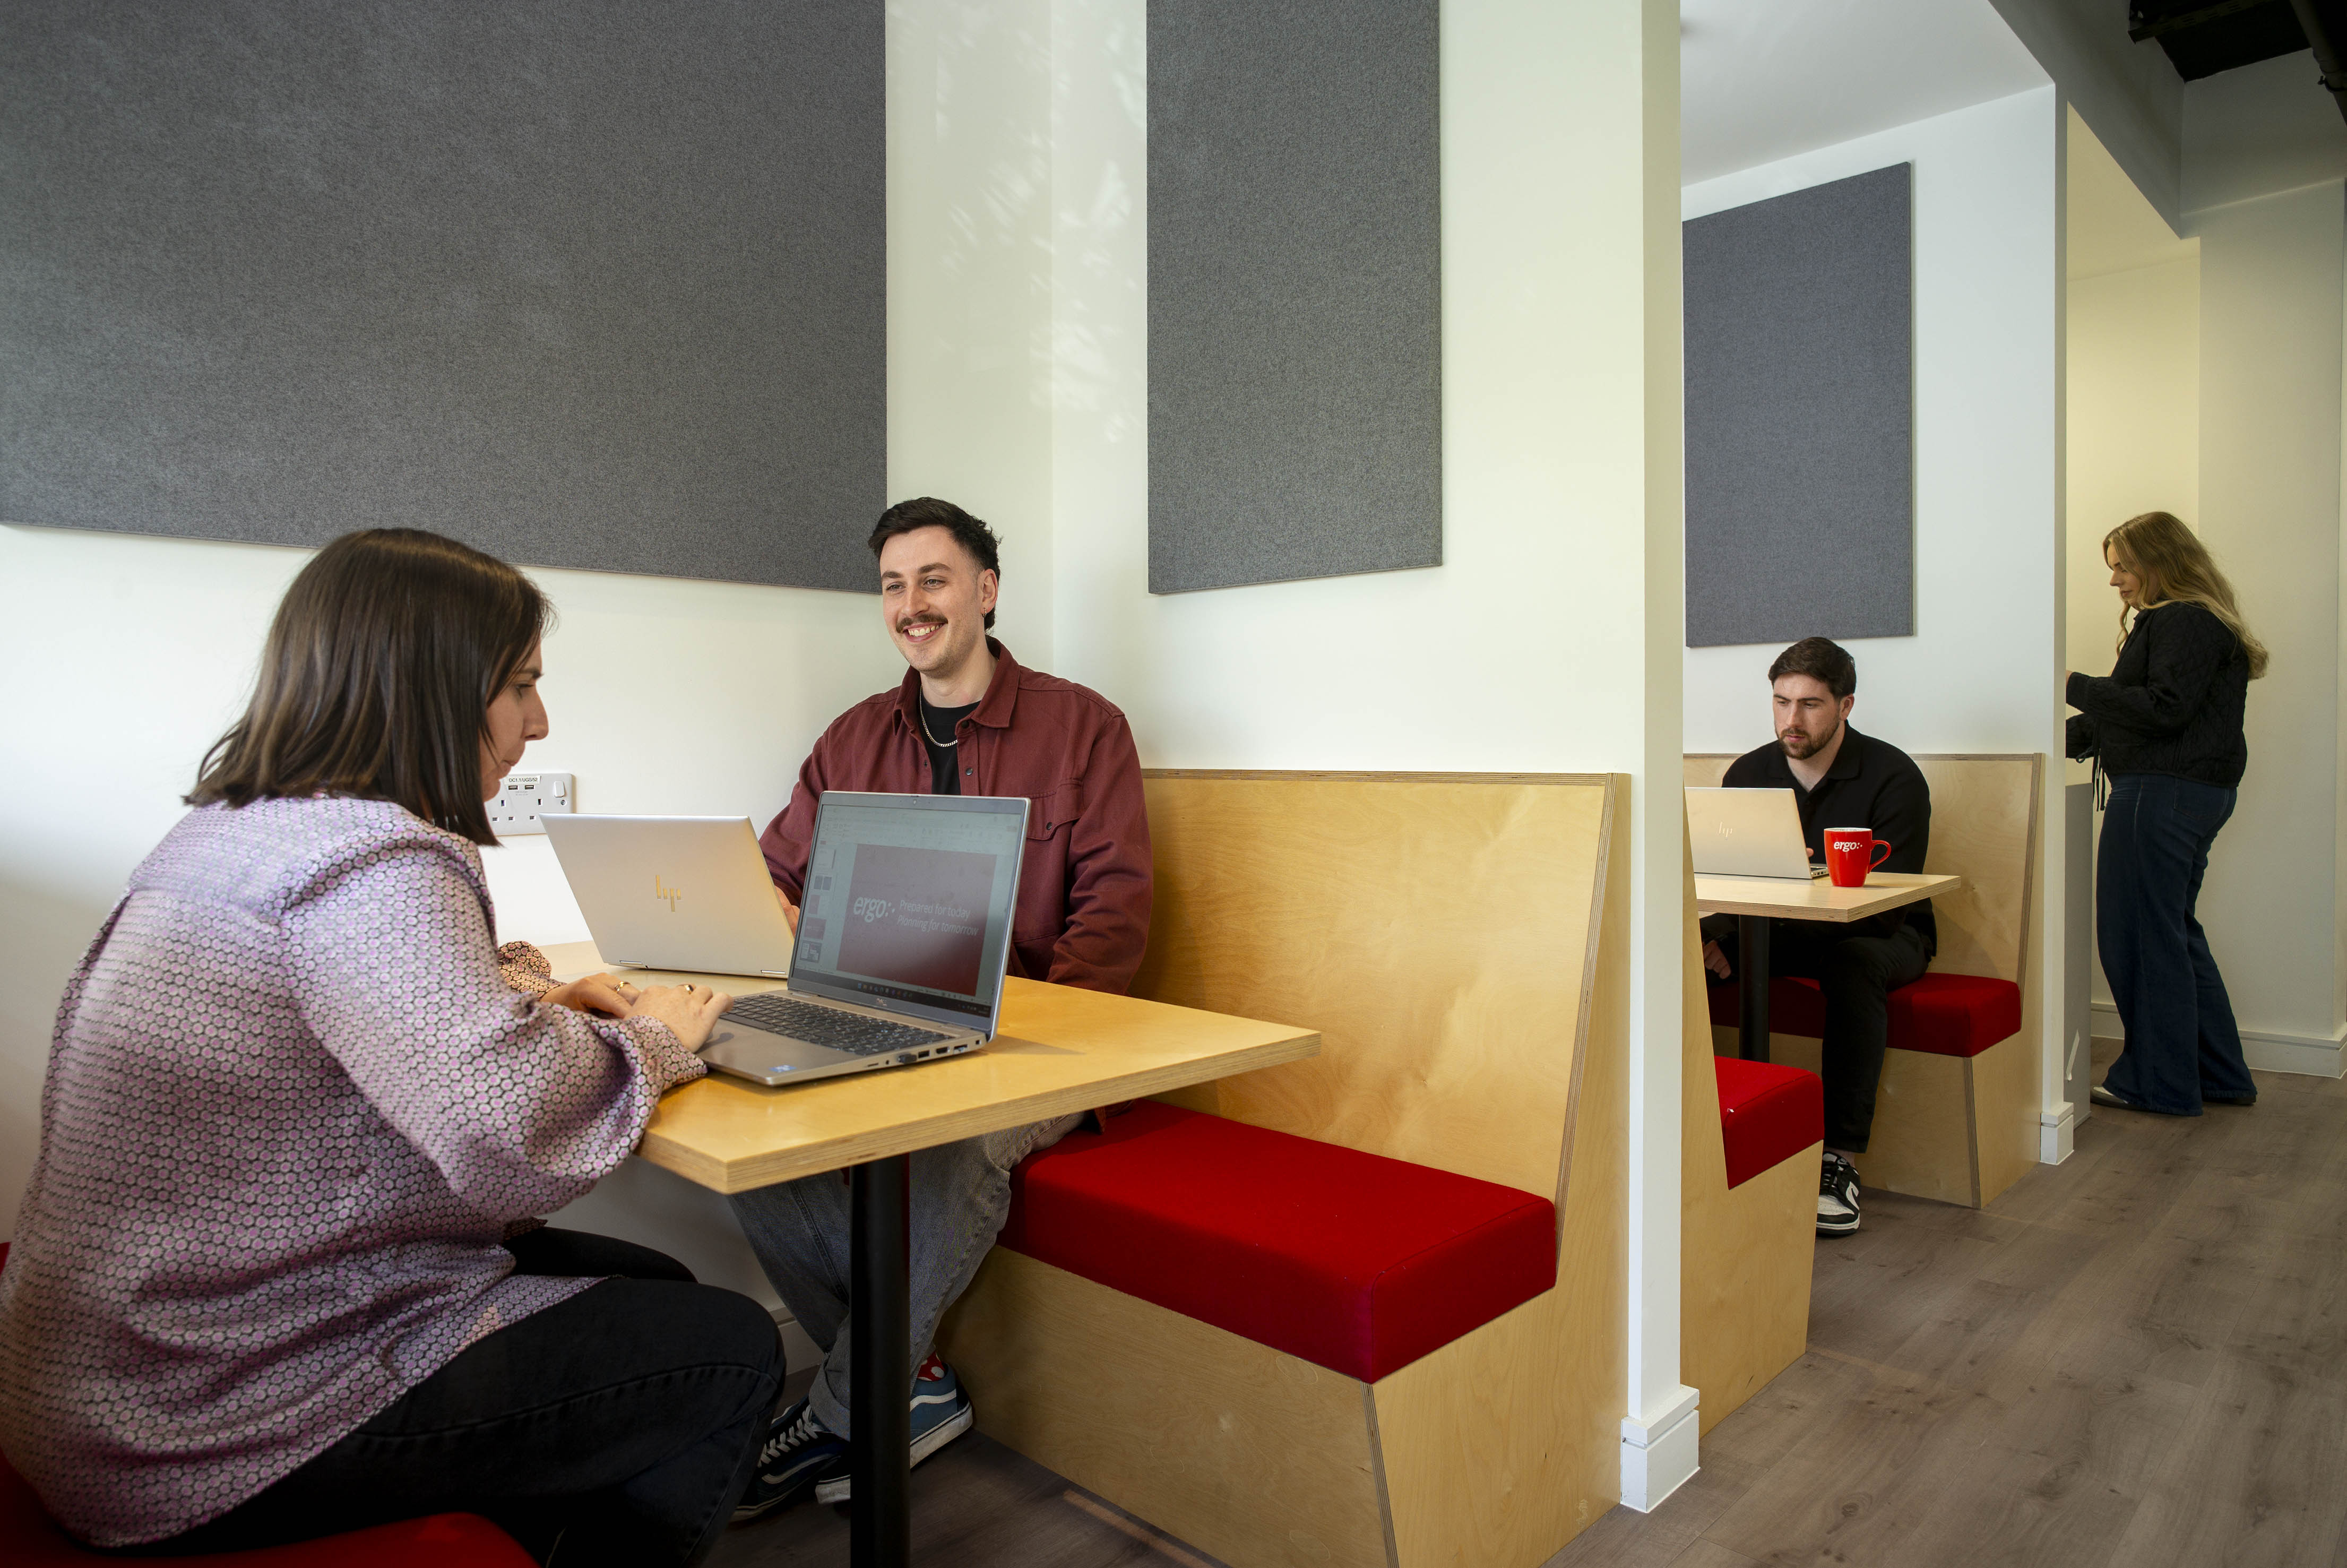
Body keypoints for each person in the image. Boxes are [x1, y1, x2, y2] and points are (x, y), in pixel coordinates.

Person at [0, 529, 773, 1565]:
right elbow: (510, 1129)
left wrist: (543, 993)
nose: (539, 724)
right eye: (521, 688)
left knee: (655, 1288)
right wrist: (653, 1038)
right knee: (732, 1351)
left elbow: (382, 1000)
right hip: (198, 1423)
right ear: (433, 691)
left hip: (109, 1371)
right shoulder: (379, 862)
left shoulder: (242, 832)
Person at [729, 496, 1151, 1519]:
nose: (910, 604)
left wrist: (1029, 1044)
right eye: (891, 584)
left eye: (932, 579)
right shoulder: (849, 739)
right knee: (753, 1146)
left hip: (1037, 1039)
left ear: (985, 591)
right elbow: (772, 878)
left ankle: (843, 1410)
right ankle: (909, 1379)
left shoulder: (1084, 725)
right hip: (882, 1020)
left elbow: (1116, 917)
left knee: (956, 1150)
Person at [1701, 637, 1932, 1237]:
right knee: (1681, 952)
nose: (1791, 720)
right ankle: (1695, 1134)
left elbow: (1884, 906)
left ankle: (1839, 1160)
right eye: (1780, 702)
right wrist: (1718, 933)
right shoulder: (1748, 772)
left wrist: (1808, 880)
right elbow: (1730, 877)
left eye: (1809, 704)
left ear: (1846, 705)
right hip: (1774, 930)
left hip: (1886, 932)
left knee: (1853, 961)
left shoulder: (1894, 776)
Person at [2067, 511, 2266, 1116]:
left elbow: (2163, 708)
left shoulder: (2181, 618)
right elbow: (2157, 711)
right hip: (2189, 791)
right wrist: (2072, 728)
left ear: (2160, 563)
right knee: (2174, 932)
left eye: (2122, 566)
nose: (2115, 581)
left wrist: (2071, 683)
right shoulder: (2200, 621)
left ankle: (2158, 1082)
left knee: (2141, 937)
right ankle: (2215, 1073)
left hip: (2161, 793)